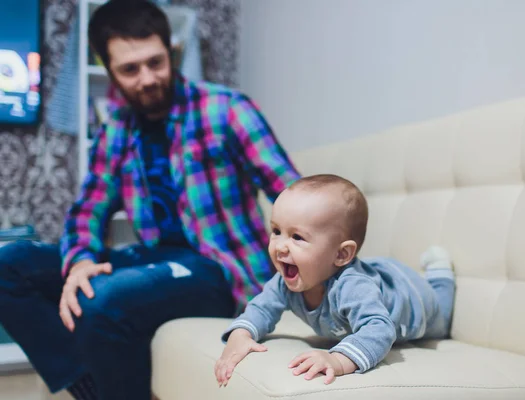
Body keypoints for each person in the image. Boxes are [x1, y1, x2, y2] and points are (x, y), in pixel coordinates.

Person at [0, 1, 299, 399]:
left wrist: (315, 273)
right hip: (154, 258)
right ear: (110, 72)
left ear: (171, 52)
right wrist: (82, 261)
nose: (147, 78)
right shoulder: (116, 131)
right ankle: (89, 389)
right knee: (10, 266)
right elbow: (88, 211)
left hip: (217, 268)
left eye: (155, 62)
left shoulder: (227, 110)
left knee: (104, 300)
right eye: (129, 69)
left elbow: (294, 195)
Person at [215, 174, 456, 386]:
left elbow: (380, 328)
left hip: (413, 300)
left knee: (441, 318)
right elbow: (261, 308)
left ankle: (440, 273)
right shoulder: (285, 282)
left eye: (297, 237)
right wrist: (241, 336)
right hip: (378, 277)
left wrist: (338, 360)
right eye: (277, 231)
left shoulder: (352, 287)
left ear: (341, 254)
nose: (279, 246)